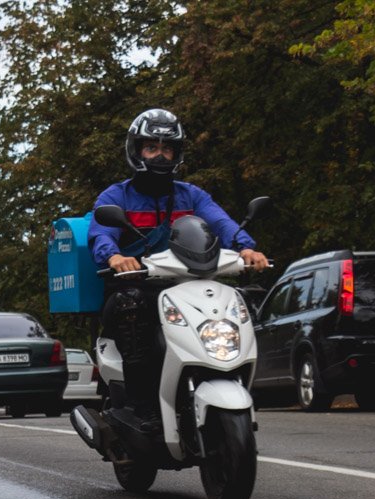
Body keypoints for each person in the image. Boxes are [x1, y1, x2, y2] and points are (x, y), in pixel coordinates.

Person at [87, 108, 269, 431]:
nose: (160, 155)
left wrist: (246, 247)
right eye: (151, 147)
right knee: (131, 305)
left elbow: (222, 223)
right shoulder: (117, 196)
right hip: (135, 286)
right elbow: (101, 234)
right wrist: (114, 257)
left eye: (167, 148)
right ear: (136, 151)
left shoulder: (192, 195)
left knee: (241, 299)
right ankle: (142, 408)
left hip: (187, 288)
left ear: (177, 153)